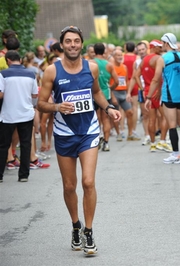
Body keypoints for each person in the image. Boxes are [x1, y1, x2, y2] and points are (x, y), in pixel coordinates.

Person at [37, 26, 121, 255]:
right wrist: (56, 106)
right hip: (64, 134)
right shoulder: (51, 72)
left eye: (76, 41)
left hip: (89, 131)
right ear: (62, 45)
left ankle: (89, 231)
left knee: (88, 182)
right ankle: (75, 225)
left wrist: (109, 108)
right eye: (68, 41)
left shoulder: (91, 68)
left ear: (81, 44)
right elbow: (41, 103)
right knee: (69, 185)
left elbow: (96, 93)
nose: (72, 45)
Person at [145, 33, 180, 164]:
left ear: (166, 43)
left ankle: (176, 154)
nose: (161, 45)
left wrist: (149, 97)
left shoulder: (163, 59)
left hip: (169, 95)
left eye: (162, 42)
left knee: (172, 125)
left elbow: (156, 79)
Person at [0, 50, 38, 183]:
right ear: (20, 60)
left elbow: (0, 94)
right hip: (26, 114)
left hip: (8, 114)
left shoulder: (3, 74)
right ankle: (23, 175)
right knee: (26, 144)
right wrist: (31, 105)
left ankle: (0, 175)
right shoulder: (31, 74)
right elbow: (35, 95)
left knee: (3, 145)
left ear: (8, 61)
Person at [92, 43, 119, 151]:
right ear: (104, 52)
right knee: (105, 119)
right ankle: (106, 143)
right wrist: (110, 88)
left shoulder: (91, 63)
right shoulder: (109, 65)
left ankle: (96, 140)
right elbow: (116, 81)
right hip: (105, 93)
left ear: (94, 51)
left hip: (93, 93)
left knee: (95, 118)